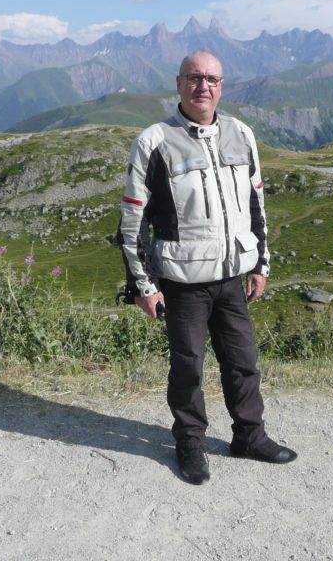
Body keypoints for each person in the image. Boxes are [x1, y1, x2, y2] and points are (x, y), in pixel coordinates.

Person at [117, 50, 297, 484]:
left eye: (212, 79)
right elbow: (132, 222)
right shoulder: (154, 141)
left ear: (222, 86)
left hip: (233, 275)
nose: (204, 86)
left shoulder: (241, 134)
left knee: (243, 362)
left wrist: (261, 263)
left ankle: (249, 437)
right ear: (178, 84)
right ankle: (190, 444)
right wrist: (143, 286)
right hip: (182, 281)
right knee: (188, 366)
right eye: (194, 78)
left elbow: (256, 203)